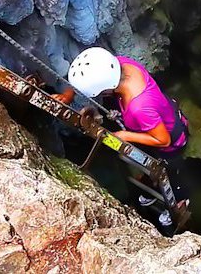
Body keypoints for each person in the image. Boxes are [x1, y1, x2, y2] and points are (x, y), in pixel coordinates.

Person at [52, 47, 189, 226]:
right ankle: (150, 186)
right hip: (160, 117)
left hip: (171, 142)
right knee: (151, 164)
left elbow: (164, 140)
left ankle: (180, 200)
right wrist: (67, 95)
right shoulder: (119, 65)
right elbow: (92, 77)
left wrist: (125, 135)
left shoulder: (139, 107)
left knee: (170, 172)